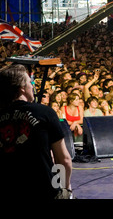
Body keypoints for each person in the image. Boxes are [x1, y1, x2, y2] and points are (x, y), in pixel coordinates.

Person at [0, 64, 73, 199]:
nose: (32, 85)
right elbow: (64, 159)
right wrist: (66, 188)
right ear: (22, 88)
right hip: (44, 190)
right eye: (29, 82)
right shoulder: (44, 112)